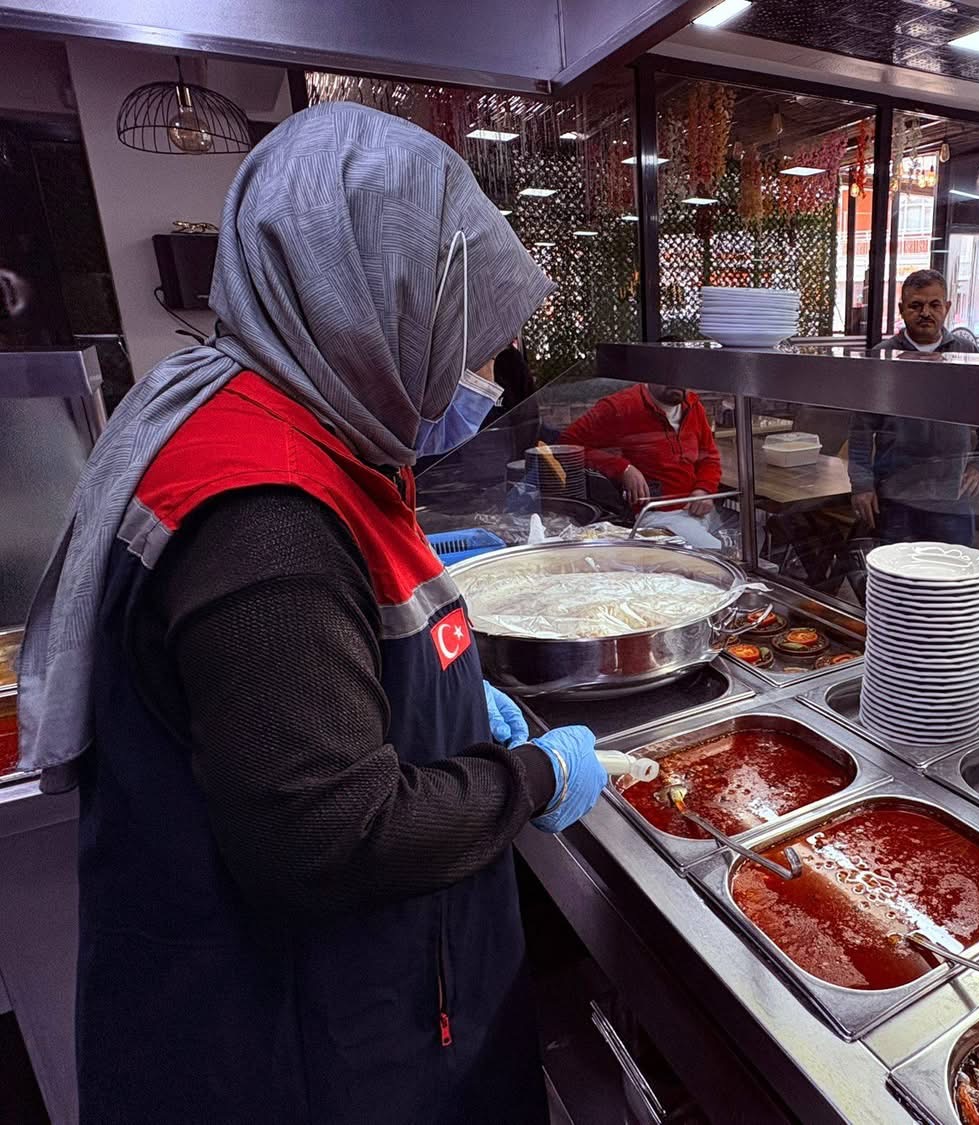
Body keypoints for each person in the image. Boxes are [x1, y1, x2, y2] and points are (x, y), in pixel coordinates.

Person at [17, 103, 607, 1124]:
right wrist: (532, 777)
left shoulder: (274, 414)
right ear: (378, 303)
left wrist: (447, 695)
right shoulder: (266, 516)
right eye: (470, 342)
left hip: (358, 1004)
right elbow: (329, 837)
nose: (484, 375)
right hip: (306, 1050)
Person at [851, 269, 979, 546]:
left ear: (947, 307)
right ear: (901, 309)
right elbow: (860, 430)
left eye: (934, 305)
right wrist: (861, 484)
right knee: (893, 569)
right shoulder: (882, 357)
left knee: (953, 569)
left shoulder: (968, 355)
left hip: (952, 495)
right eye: (916, 305)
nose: (925, 313)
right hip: (893, 495)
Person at [561, 379, 723, 546]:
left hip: (701, 510)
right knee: (721, 553)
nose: (676, 379)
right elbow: (567, 444)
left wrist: (704, 489)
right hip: (657, 516)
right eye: (667, 371)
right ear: (648, 372)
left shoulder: (693, 405)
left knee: (738, 541)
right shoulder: (620, 407)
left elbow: (709, 457)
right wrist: (622, 468)